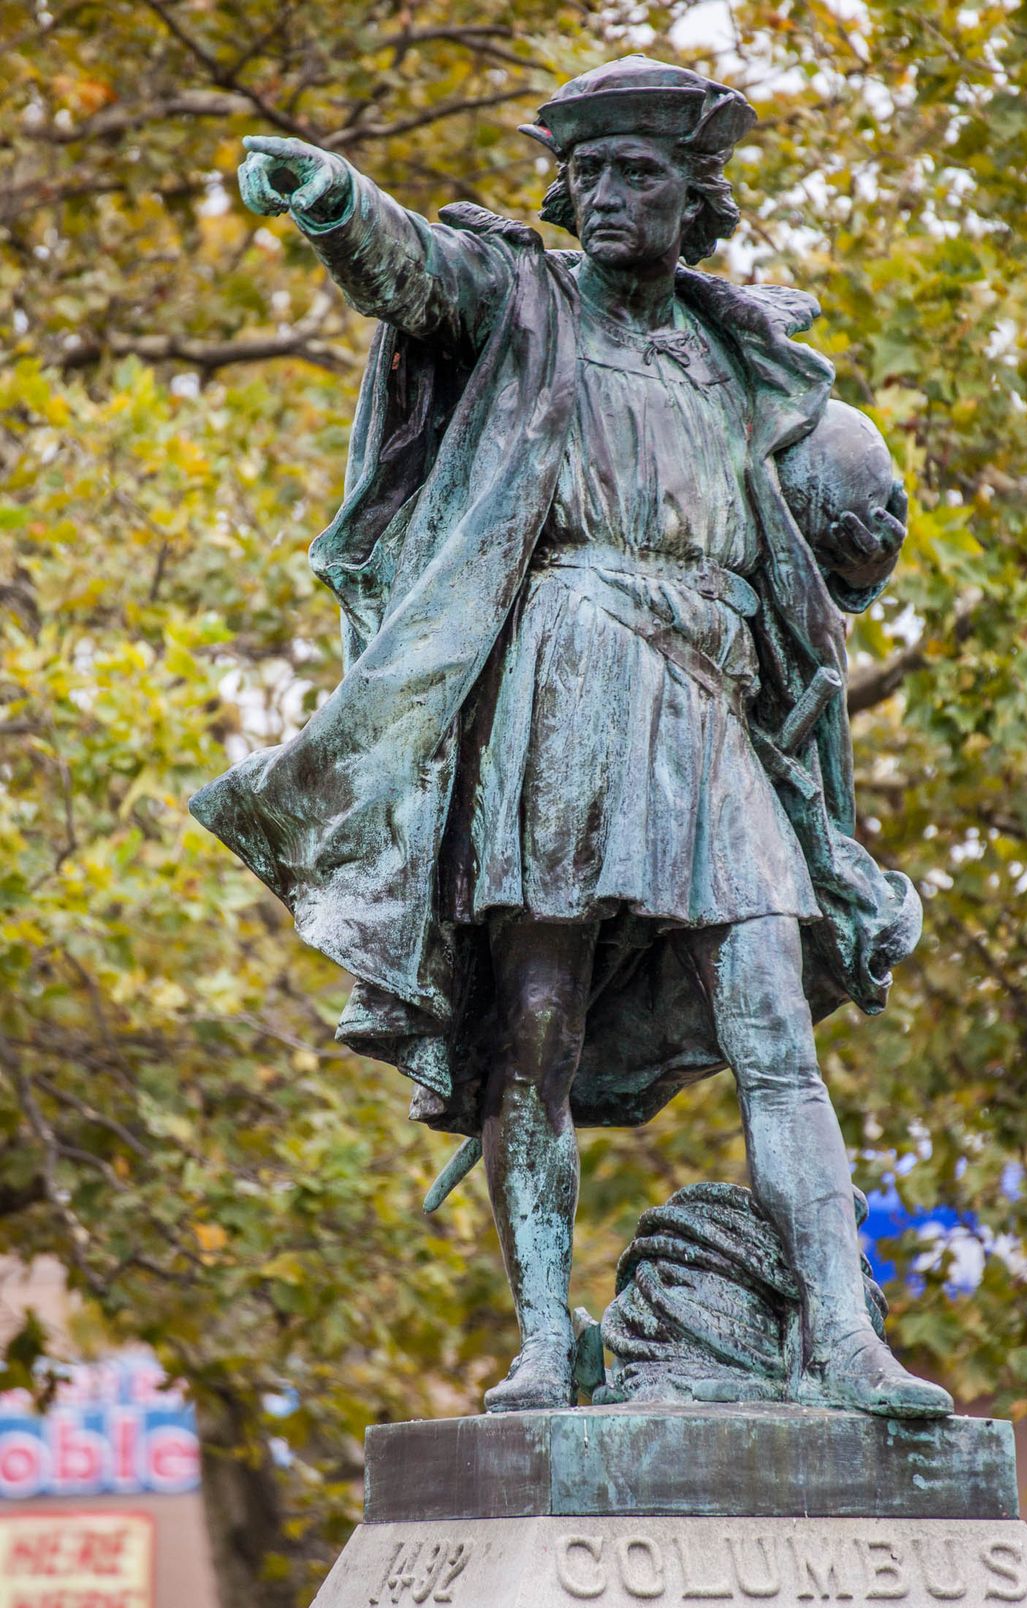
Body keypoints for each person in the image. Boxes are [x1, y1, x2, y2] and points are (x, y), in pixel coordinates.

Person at [191, 57, 952, 1419]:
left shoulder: (739, 354)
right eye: (588, 173)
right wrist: (335, 203)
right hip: (568, 677)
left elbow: (829, 546)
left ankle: (846, 1342)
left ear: (694, 198)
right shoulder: (527, 299)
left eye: (637, 174)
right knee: (532, 1025)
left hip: (709, 702)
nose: (605, 196)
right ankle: (547, 1336)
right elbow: (416, 272)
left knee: (775, 1019)